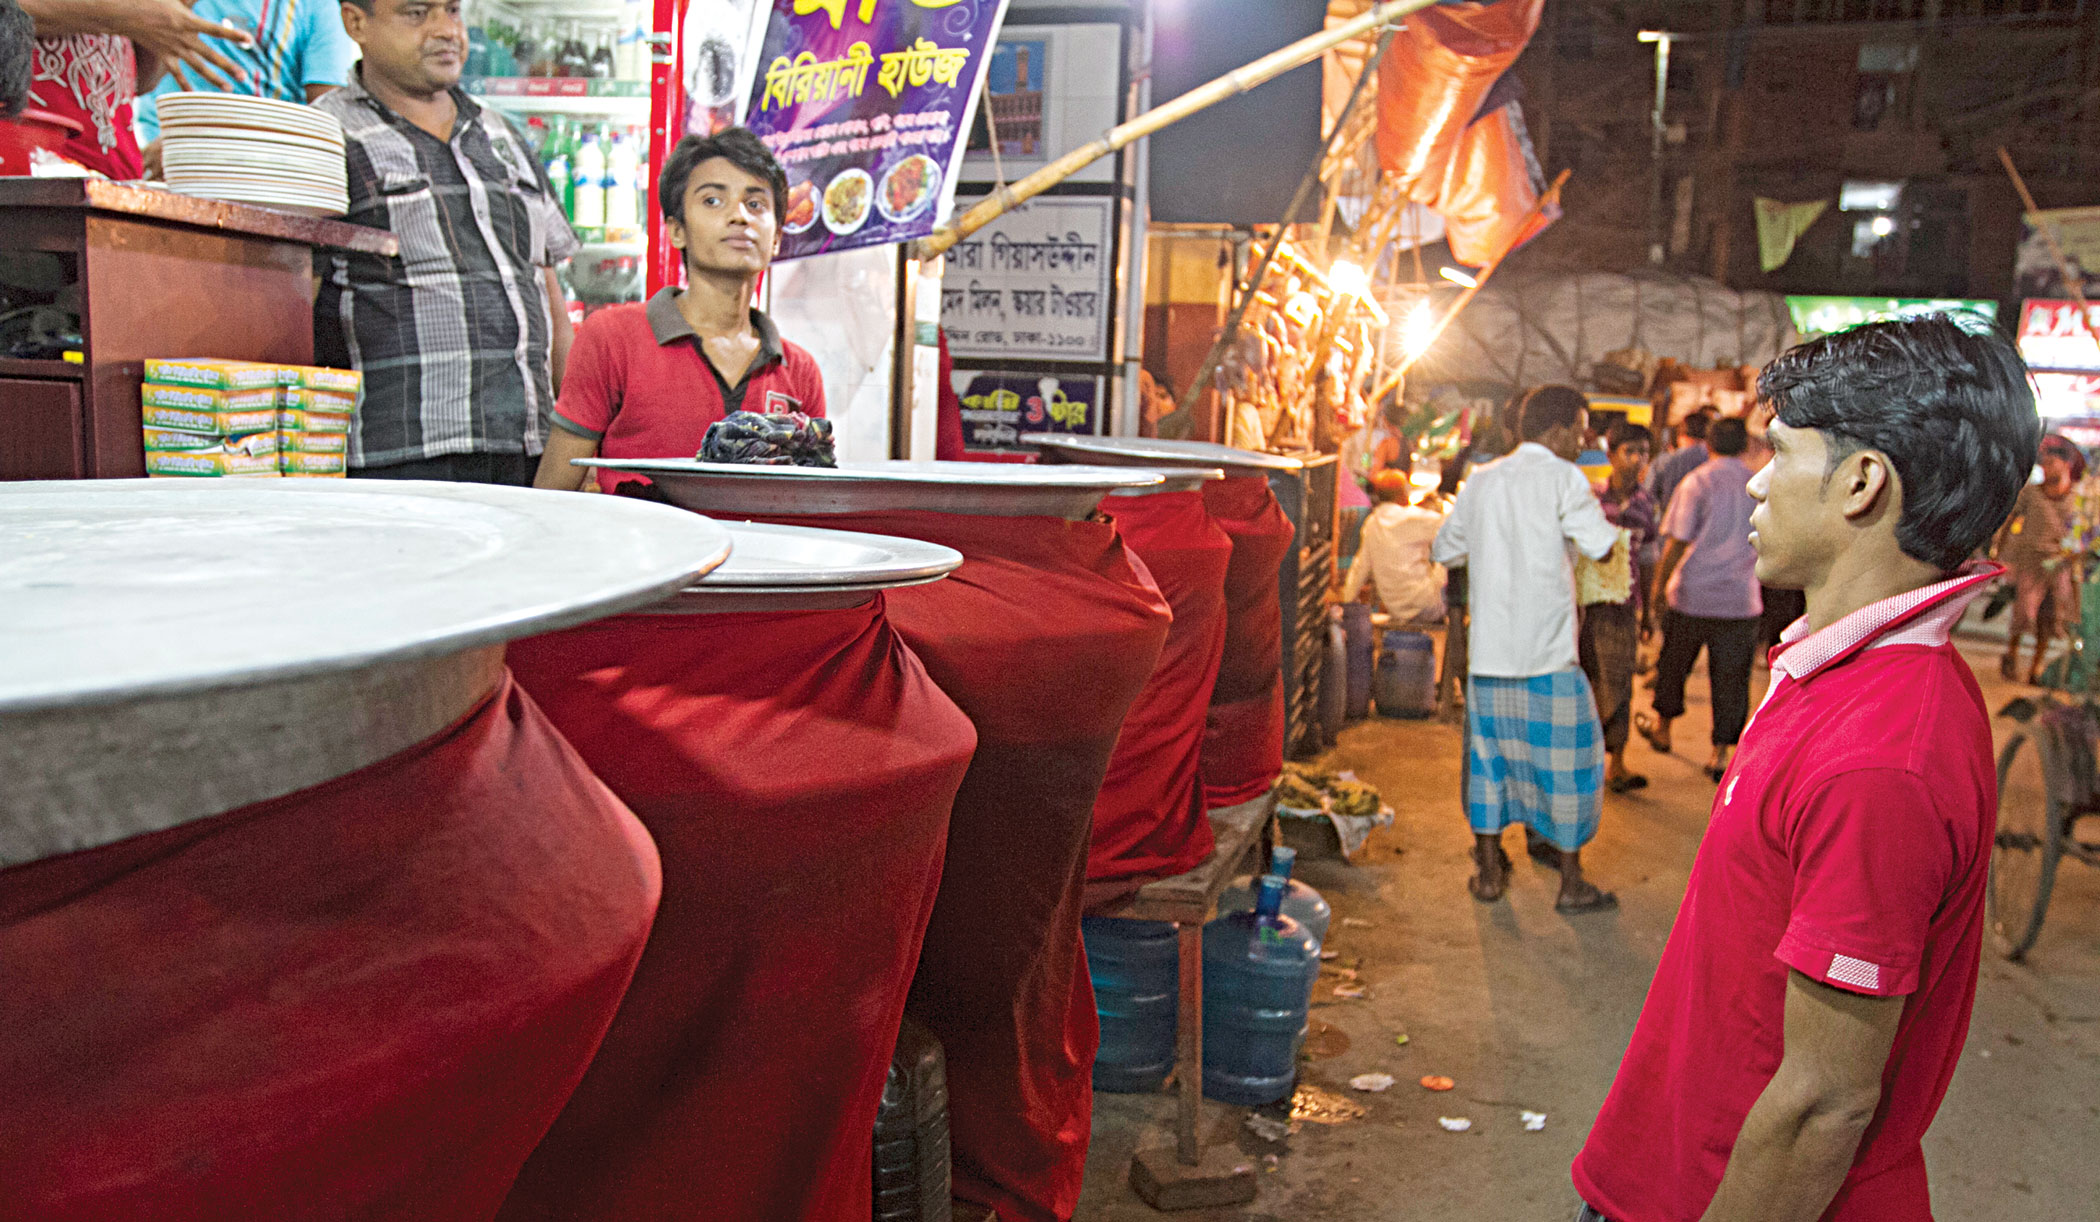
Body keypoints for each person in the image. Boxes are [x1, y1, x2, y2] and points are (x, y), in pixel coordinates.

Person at [1572, 313, 2039, 1222]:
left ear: (1863, 482)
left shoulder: (1883, 756)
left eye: (1781, 453)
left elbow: (1827, 1101)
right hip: (1661, 1169)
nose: (1753, 483)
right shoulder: (1841, 670)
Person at [314, 0, 576, 485]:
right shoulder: (324, 135)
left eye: (452, 11)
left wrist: (578, 435)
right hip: (399, 455)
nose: (444, 30)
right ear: (356, 23)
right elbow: (291, 298)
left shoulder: (504, 137)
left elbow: (549, 294)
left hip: (527, 447)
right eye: (416, 13)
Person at [534, 127, 825, 493]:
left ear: (777, 238)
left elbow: (810, 499)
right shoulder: (612, 338)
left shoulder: (800, 372)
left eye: (755, 204)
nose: (739, 216)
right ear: (676, 231)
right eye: (713, 201)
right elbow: (553, 492)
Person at [1433, 384, 1622, 913]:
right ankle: (1570, 884)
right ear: (1560, 429)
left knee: (1488, 769)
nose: (1583, 440)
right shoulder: (1565, 478)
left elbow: (1445, 548)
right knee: (1569, 769)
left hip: (1490, 660)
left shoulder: (1482, 480)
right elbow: (1602, 544)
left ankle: (1491, 875)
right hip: (1549, 660)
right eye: (1581, 429)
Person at [1643, 416, 1762, 781]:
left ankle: (1663, 728)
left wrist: (1657, 588)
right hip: (1741, 600)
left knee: (1673, 666)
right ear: (1745, 446)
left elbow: (1677, 540)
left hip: (1692, 595)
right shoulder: (1757, 485)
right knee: (1732, 678)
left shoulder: (1697, 481)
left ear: (1707, 444)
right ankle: (1719, 753)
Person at [12, 0, 253, 178]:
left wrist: (172, 13)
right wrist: (122, 13)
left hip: (115, 182)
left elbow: (141, 80)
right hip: (25, 173)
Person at [135, 0, 357, 167]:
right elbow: (135, 82)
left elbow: (327, 130)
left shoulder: (317, 7)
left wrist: (200, 149)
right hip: (148, 160)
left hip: (252, 174)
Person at [1580, 421, 1659, 794]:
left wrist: (1649, 610)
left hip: (1624, 605)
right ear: (1610, 455)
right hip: (1587, 603)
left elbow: (1647, 560)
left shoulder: (1647, 505)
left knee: (1620, 682)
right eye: (1630, 451)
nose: (1638, 460)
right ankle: (1583, 757)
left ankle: (1617, 763)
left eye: (1644, 453)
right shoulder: (1591, 498)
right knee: (1586, 677)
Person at [1995, 432, 2087, 684]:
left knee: (2050, 617)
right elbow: (2009, 520)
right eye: (2043, 464)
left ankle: (2036, 669)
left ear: (2065, 464)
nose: (2045, 468)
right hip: (2031, 561)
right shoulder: (2031, 493)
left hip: (2061, 565)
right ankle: (2011, 654)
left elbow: (2085, 531)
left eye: (2050, 463)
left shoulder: (2078, 496)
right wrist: (1999, 553)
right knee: (2024, 613)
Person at [1341, 467, 1444, 622]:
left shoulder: (1371, 524)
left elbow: (1359, 568)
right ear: (1402, 494)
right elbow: (1450, 527)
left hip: (1396, 609)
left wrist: (1346, 602)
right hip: (1427, 605)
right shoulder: (1413, 517)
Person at [1646, 406, 1712, 513]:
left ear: (1680, 434)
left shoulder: (1662, 462)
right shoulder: (1714, 463)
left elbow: (1647, 498)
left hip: (1667, 523)